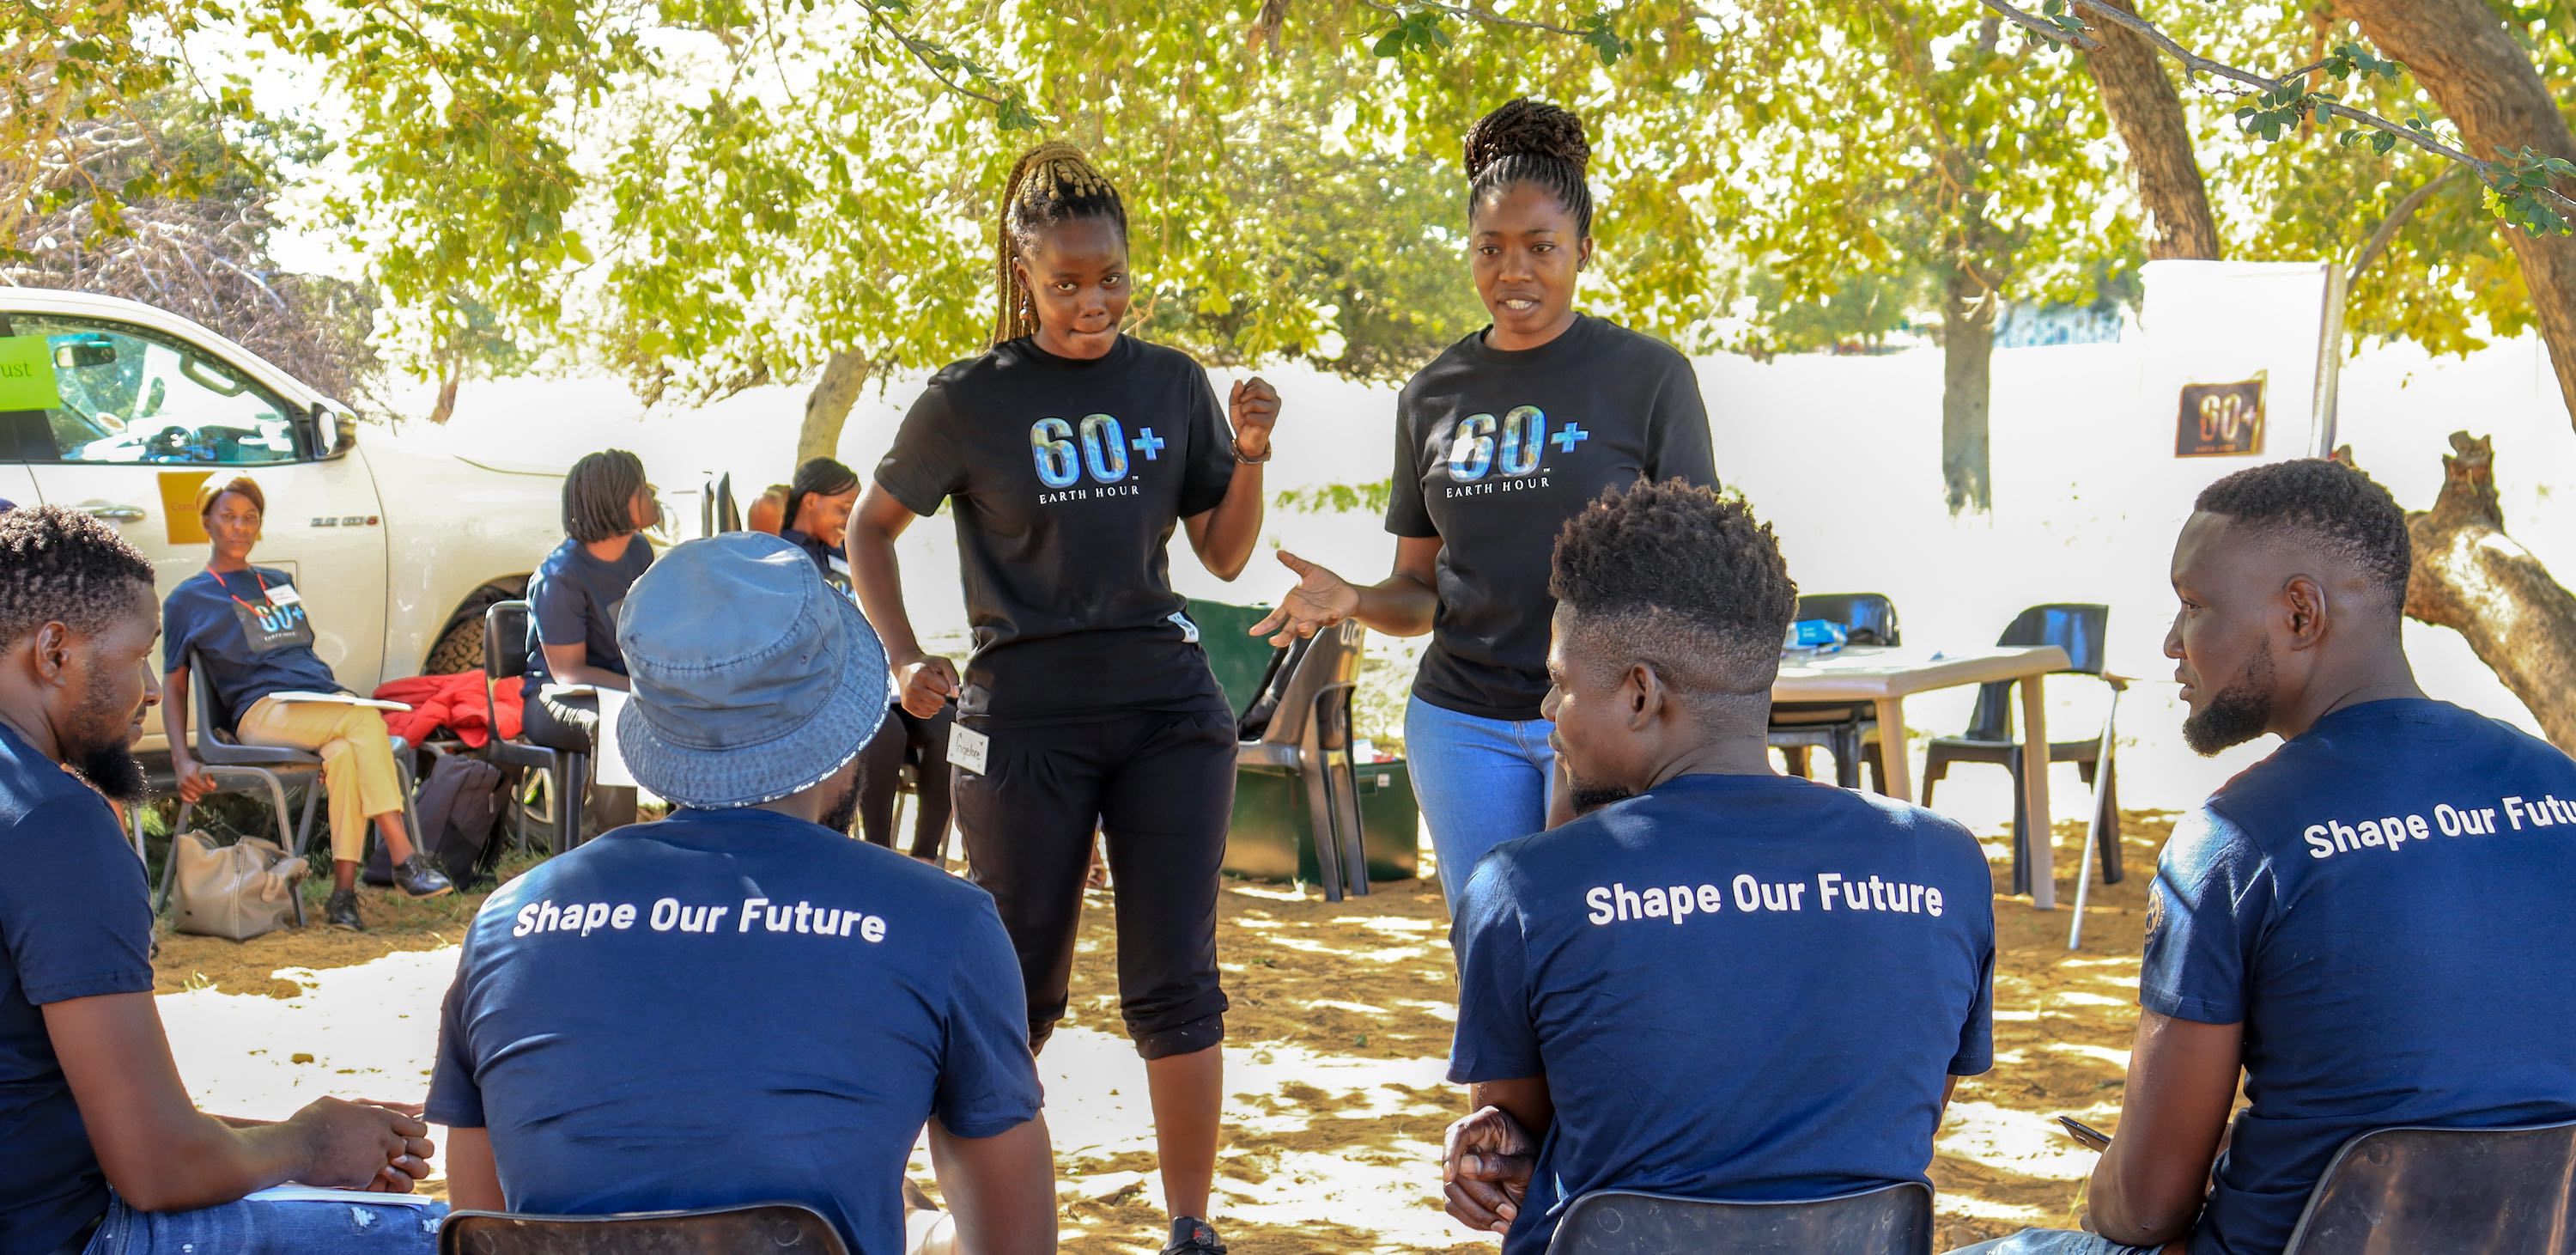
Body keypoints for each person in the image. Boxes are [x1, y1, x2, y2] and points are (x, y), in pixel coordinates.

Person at [1951, 459, 2576, 1255]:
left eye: (2194, 605)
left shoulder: (2235, 840)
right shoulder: (2560, 783)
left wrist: (2112, 1179)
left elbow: (2144, 1210)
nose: (2172, 642)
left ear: (2301, 612)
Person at [847, 141, 1280, 1255]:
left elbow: (1225, 560)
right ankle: (985, 1224)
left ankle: (1191, 1226)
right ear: (1024, 271)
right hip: (1023, 714)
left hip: (1166, 712)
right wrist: (901, 657)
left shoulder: (1169, 381)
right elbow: (870, 529)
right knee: (1015, 983)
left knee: (1173, 975)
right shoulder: (969, 400)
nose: (1093, 302)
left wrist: (1250, 453)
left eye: (1111, 280)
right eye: (1066, 282)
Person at [428, 532, 1054, 1255]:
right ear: (844, 734)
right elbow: (1016, 1243)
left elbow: (486, 1216)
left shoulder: (509, 922)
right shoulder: (944, 924)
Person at [1440, 479, 1995, 1253]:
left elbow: (1516, 1143)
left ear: (1641, 693)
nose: (1547, 712)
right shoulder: (1943, 863)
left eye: (1561, 685)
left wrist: (1492, 1140)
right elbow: (1889, 1121)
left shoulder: (1523, 890)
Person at [1249, 98, 1716, 914]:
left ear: (1583, 250)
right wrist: (1356, 599)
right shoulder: (1431, 396)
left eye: (1542, 248)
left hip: (1610, 722)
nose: (1515, 272)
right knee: (1497, 954)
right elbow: (1422, 590)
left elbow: (1697, 567)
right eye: (1491, 249)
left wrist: (1645, 706)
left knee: (1606, 950)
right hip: (1462, 727)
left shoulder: (1648, 378)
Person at [0, 505, 440, 1254]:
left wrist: (280, 1134)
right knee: (428, 1234)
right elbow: (155, 1166)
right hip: (61, 1232)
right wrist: (305, 1142)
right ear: (54, 652)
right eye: (138, 657)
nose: (147, 688)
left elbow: (73, 1101)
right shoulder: (57, 825)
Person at [161, 476, 453, 929]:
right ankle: (403, 854)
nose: (240, 527)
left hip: (315, 706)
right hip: (261, 714)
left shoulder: (277, 582)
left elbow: (300, 656)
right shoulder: (187, 598)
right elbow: (175, 685)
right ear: (206, 522)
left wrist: (330, 701)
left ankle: (342, 897)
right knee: (363, 723)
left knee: (344, 754)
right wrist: (182, 759)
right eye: (228, 516)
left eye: (250, 518)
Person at [521, 448, 657, 837]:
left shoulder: (639, 551)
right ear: (614, 502)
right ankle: (611, 847)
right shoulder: (560, 576)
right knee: (614, 719)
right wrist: (643, 689)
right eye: (641, 490)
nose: (651, 498)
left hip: (623, 689)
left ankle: (694, 835)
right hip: (556, 699)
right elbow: (567, 672)